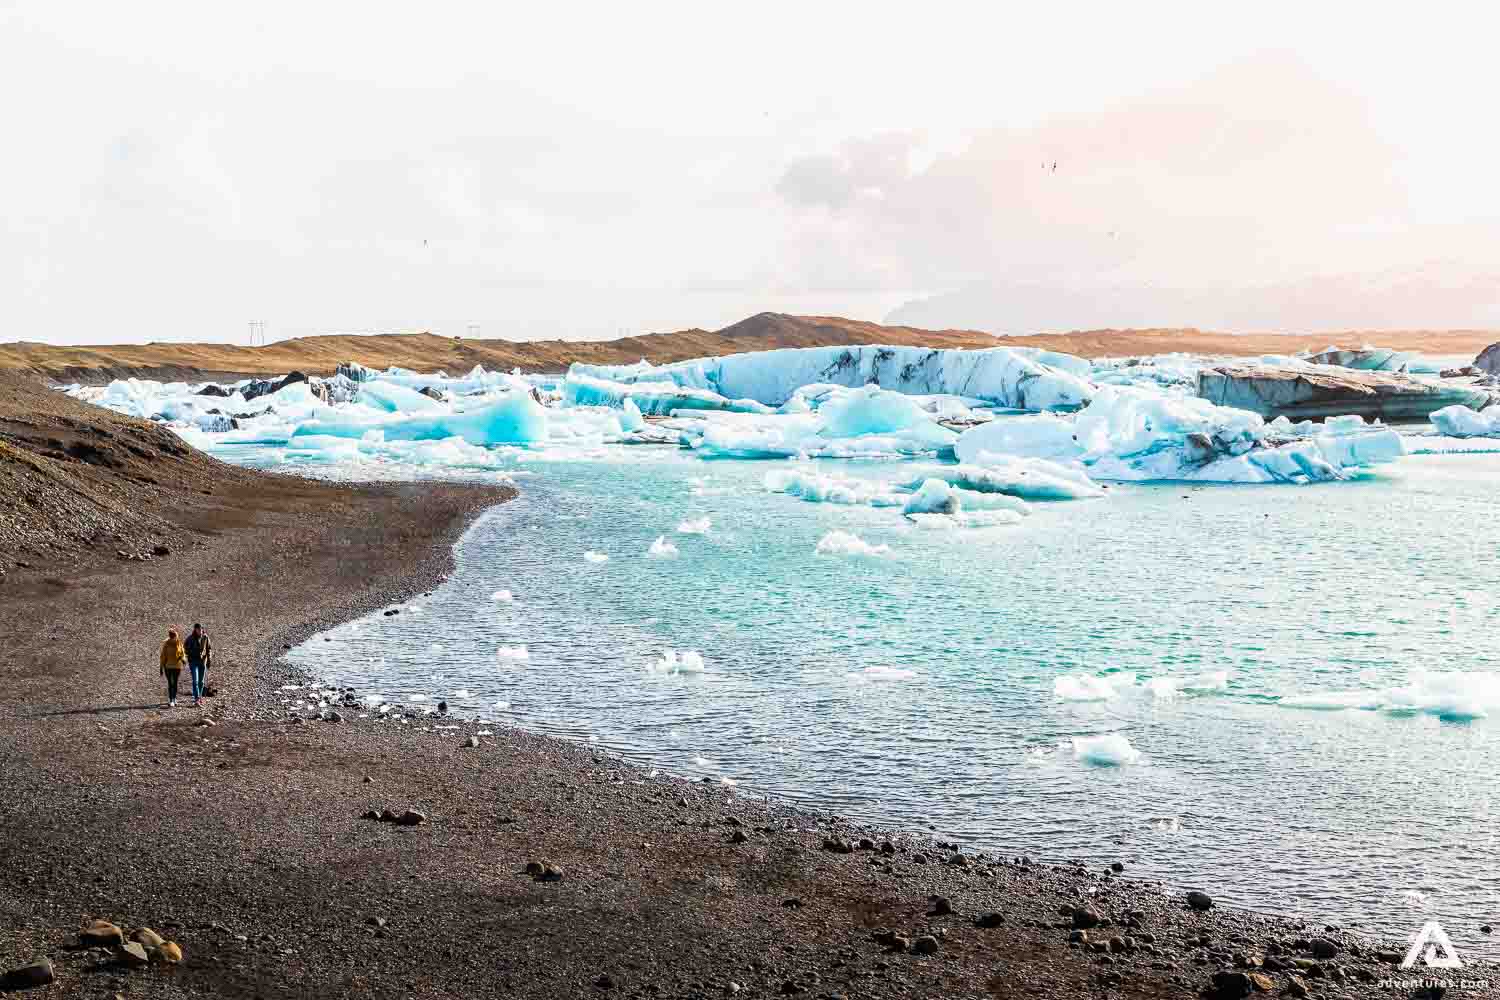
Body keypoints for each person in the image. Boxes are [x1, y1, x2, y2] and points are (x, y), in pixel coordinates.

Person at [185, 623, 212, 707]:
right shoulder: (190, 638)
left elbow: (209, 649)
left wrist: (209, 660)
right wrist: (189, 656)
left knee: (201, 682)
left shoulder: (205, 637)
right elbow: (185, 648)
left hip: (202, 661)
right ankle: (196, 699)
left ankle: (200, 697)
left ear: (202, 629)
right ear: (195, 630)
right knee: (195, 681)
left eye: (200, 629)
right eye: (198, 630)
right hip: (193, 662)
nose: (199, 631)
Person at [159, 629, 187, 707]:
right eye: (174, 637)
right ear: (171, 636)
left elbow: (183, 653)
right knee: (170, 683)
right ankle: (171, 699)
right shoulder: (166, 645)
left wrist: (183, 659)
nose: (175, 638)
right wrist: (161, 667)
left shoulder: (179, 643)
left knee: (175, 683)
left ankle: (174, 699)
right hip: (168, 666)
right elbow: (163, 657)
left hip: (177, 667)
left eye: (175, 636)